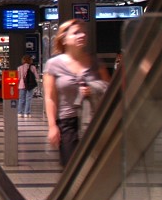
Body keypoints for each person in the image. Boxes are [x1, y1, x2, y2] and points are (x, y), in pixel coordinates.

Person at [44, 19, 111, 167]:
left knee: (94, 166)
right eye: (76, 33)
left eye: (84, 32)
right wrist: (52, 126)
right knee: (71, 166)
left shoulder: (96, 62)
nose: (82, 35)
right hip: (67, 123)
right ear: (64, 39)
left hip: (93, 121)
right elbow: (50, 98)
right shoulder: (53, 64)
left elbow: (109, 90)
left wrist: (93, 89)